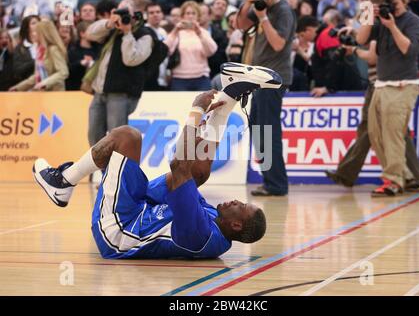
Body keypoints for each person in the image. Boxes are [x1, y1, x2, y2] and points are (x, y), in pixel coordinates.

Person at [31, 62, 282, 259]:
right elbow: (190, 173)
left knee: (127, 137)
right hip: (142, 211)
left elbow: (178, 166)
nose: (237, 200)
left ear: (236, 224)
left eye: (241, 205)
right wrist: (219, 111)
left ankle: (64, 182)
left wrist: (195, 111)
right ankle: (229, 98)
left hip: (118, 231)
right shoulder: (217, 224)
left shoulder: (199, 233)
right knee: (199, 175)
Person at [325, 40, 419, 191]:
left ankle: (411, 178)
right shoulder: (378, 27)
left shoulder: (378, 27)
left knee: (383, 130)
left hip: (383, 86)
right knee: (385, 131)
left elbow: (372, 57)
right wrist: (354, 37)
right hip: (380, 85)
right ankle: (413, 178)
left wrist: (354, 50)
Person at [356, 0, 419, 196]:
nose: (389, 7)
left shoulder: (413, 21)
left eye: (393, 3)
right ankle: (405, 174)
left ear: (403, 1)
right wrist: (368, 13)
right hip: (381, 84)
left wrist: (393, 26)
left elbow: (409, 50)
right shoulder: (380, 22)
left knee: (392, 133)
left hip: (403, 85)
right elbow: (361, 40)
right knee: (376, 134)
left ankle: (393, 180)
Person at [236, 0, 296, 196]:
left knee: (268, 131)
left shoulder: (283, 11)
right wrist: (248, 2)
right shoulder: (262, 8)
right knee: (259, 129)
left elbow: (279, 44)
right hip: (260, 78)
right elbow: (241, 24)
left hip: (274, 78)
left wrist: (263, 19)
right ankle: (271, 181)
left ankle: (276, 184)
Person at [83, 0, 153, 147]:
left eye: (127, 13)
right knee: (94, 135)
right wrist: (109, 23)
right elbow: (89, 34)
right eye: (121, 12)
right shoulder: (112, 30)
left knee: (118, 136)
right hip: (99, 91)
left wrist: (127, 33)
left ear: (135, 15)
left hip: (121, 93)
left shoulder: (145, 34)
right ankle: (97, 169)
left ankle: (117, 169)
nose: (124, 17)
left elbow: (131, 59)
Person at [164, 1, 217, 91]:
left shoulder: (203, 32)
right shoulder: (177, 32)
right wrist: (175, 31)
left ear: (198, 16)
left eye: (193, 13)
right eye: (187, 13)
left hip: (201, 78)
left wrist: (199, 33)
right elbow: (165, 49)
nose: (190, 16)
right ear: (182, 16)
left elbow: (212, 50)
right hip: (179, 79)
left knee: (203, 105)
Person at [9, 20, 68, 91]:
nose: (33, 34)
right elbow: (37, 76)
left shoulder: (53, 49)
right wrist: (18, 88)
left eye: (36, 32)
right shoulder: (40, 51)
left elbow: (63, 72)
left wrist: (44, 83)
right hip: (42, 93)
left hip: (55, 94)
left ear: (43, 34)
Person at [11, 14, 40, 85]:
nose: (38, 25)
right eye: (33, 23)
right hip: (27, 87)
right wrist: (34, 62)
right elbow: (17, 71)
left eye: (39, 22)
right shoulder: (20, 48)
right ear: (27, 28)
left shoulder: (45, 44)